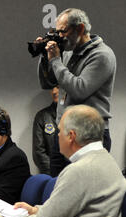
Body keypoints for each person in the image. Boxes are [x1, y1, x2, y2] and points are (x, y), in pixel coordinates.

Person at [37, 8, 116, 177]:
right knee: (55, 187)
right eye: (57, 32)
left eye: (63, 31)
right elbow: (48, 83)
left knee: (83, 191)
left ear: (80, 29)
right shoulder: (68, 52)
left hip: (88, 136)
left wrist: (56, 61)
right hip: (64, 132)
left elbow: (79, 89)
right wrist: (46, 58)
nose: (60, 36)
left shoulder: (102, 55)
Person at [32, 86, 58, 175]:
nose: (54, 92)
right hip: (51, 176)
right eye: (52, 88)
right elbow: (38, 152)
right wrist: (54, 174)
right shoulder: (42, 116)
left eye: (58, 87)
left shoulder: (79, 115)